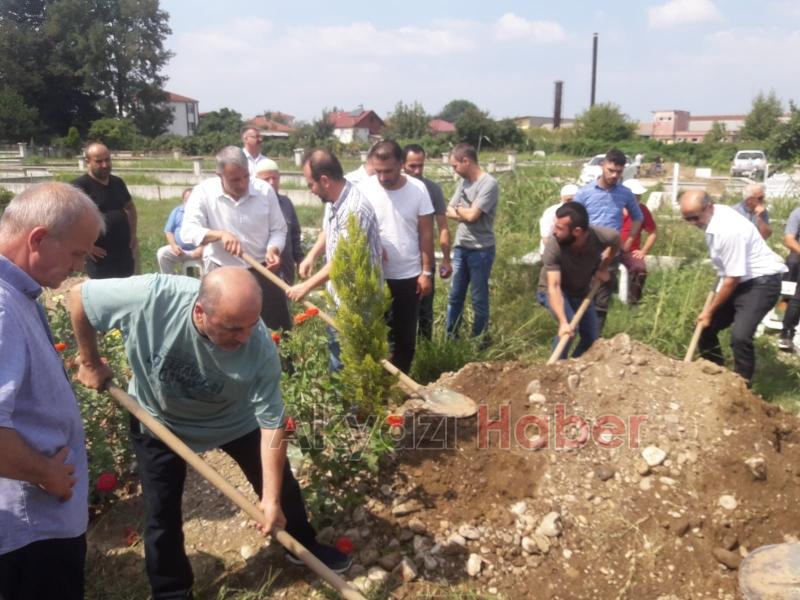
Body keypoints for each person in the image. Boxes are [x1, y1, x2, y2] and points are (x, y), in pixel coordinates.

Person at [69, 268, 352, 600]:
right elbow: (79, 298)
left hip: (234, 418)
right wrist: (89, 361)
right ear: (200, 313)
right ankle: (172, 591)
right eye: (233, 328)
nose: (245, 337)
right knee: (162, 511)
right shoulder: (152, 297)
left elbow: (273, 426)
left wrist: (271, 500)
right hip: (158, 421)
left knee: (281, 485)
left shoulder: (259, 346)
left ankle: (302, 545)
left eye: (251, 324)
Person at [0, 182, 105, 600]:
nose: (79, 267)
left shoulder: (17, 296)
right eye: (77, 253)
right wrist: (46, 474)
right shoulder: (3, 308)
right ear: (39, 240)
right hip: (31, 533)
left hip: (38, 526)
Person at [286, 149, 382, 370]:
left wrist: (306, 286)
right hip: (339, 296)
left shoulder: (355, 209)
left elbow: (343, 260)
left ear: (325, 180)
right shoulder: (334, 200)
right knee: (337, 355)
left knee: (351, 363)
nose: (310, 190)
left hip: (359, 301)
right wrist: (311, 255)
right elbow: (328, 231)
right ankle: (343, 400)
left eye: (311, 184)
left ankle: (353, 405)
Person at [680, 190, 786, 385]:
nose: (693, 223)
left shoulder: (727, 230)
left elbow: (732, 279)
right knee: (704, 329)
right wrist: (708, 315)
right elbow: (729, 274)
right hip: (739, 280)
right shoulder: (715, 215)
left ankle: (742, 387)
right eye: (687, 219)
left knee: (740, 337)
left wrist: (709, 311)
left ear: (709, 207)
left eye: (695, 217)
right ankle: (714, 375)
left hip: (761, 283)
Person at [181, 146, 291, 331]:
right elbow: (188, 231)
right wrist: (219, 235)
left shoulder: (264, 191)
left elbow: (279, 229)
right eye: (235, 180)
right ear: (220, 175)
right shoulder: (203, 193)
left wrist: (273, 248)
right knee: (226, 329)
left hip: (262, 270)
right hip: (223, 273)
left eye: (246, 176)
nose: (242, 184)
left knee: (276, 330)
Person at [357, 141, 433, 373]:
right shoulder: (364, 189)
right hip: (375, 276)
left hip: (408, 276)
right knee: (377, 336)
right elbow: (356, 227)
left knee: (405, 338)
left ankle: (401, 387)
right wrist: (374, 244)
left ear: (401, 164)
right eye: (378, 170)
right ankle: (378, 386)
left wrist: (426, 272)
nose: (382, 177)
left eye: (388, 171)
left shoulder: (417, 190)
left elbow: (426, 232)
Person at [537, 202, 619, 360]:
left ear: (577, 231)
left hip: (580, 291)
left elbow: (616, 241)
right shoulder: (554, 247)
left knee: (591, 337)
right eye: (555, 226)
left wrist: (603, 267)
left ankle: (574, 367)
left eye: (560, 228)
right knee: (568, 330)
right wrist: (563, 322)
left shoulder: (601, 236)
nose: (554, 231)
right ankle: (557, 370)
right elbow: (554, 287)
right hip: (554, 291)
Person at [574, 148, 643, 333]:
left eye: (618, 172)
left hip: (611, 252)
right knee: (581, 294)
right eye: (610, 170)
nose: (614, 175)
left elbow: (638, 217)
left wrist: (628, 241)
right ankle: (577, 334)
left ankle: (595, 341)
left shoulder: (625, 193)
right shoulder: (584, 193)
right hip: (586, 252)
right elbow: (573, 219)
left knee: (602, 300)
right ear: (602, 166)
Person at [445, 143, 499, 342]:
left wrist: (460, 211)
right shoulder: (463, 183)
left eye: (455, 166)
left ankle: (479, 340)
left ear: (466, 161)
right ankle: (451, 339)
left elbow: (474, 216)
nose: (454, 170)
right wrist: (462, 212)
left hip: (481, 250)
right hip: (461, 247)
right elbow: (448, 209)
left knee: (478, 299)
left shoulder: (488, 184)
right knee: (455, 297)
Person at [402, 143, 452, 339]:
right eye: (412, 166)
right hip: (400, 262)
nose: (417, 171)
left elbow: (443, 226)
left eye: (421, 166)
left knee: (425, 314)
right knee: (398, 314)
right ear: (402, 164)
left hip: (425, 262)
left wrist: (446, 259)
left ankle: (425, 357)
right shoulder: (392, 188)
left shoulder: (432, 189)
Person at [72, 142, 138, 278]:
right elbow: (68, 221)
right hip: (100, 257)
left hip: (124, 252)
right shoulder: (79, 187)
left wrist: (132, 234)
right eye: (99, 161)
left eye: (107, 160)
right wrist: (85, 246)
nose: (105, 165)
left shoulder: (117, 183)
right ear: (87, 161)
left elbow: (130, 207)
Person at [254, 159, 304, 285]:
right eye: (266, 179)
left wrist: (300, 259)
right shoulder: (251, 206)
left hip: (285, 270)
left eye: (274, 178)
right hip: (261, 270)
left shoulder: (286, 203)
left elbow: (294, 234)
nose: (271, 183)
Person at [620, 179, 658, 304]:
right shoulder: (613, 207)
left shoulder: (642, 210)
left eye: (638, 196)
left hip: (630, 251)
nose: (638, 198)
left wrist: (643, 251)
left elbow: (653, 233)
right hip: (609, 248)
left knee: (640, 269)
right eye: (635, 196)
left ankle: (633, 301)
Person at [156, 188, 204, 274]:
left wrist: (202, 248)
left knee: (212, 255)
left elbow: (211, 232)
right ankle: (168, 282)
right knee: (162, 253)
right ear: (183, 200)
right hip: (181, 251)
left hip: (200, 251)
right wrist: (174, 246)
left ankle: (207, 285)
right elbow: (168, 231)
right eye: (187, 200)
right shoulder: (176, 211)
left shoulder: (203, 212)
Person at [778, 206, 800, 351]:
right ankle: (786, 333)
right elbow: (789, 239)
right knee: (793, 297)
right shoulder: (797, 213)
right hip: (797, 258)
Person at [539, 183, 578, 256]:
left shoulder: (581, 212)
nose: (572, 203)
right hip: (552, 252)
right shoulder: (550, 212)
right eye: (568, 200)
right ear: (561, 199)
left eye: (575, 200)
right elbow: (546, 238)